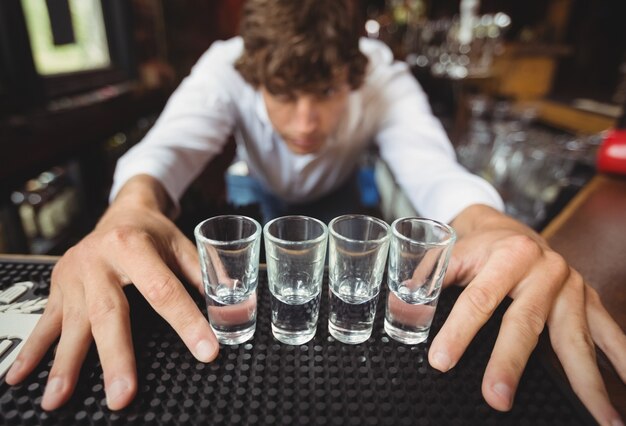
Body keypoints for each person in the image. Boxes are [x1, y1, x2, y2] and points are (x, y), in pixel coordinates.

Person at [6, 0, 625, 424]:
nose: (305, 123)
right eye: (283, 94)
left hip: (341, 206)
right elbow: (162, 153)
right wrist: (128, 210)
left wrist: (494, 225)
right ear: (256, 77)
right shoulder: (226, 64)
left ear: (351, 74)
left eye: (326, 92)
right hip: (256, 204)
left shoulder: (380, 74)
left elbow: (436, 171)